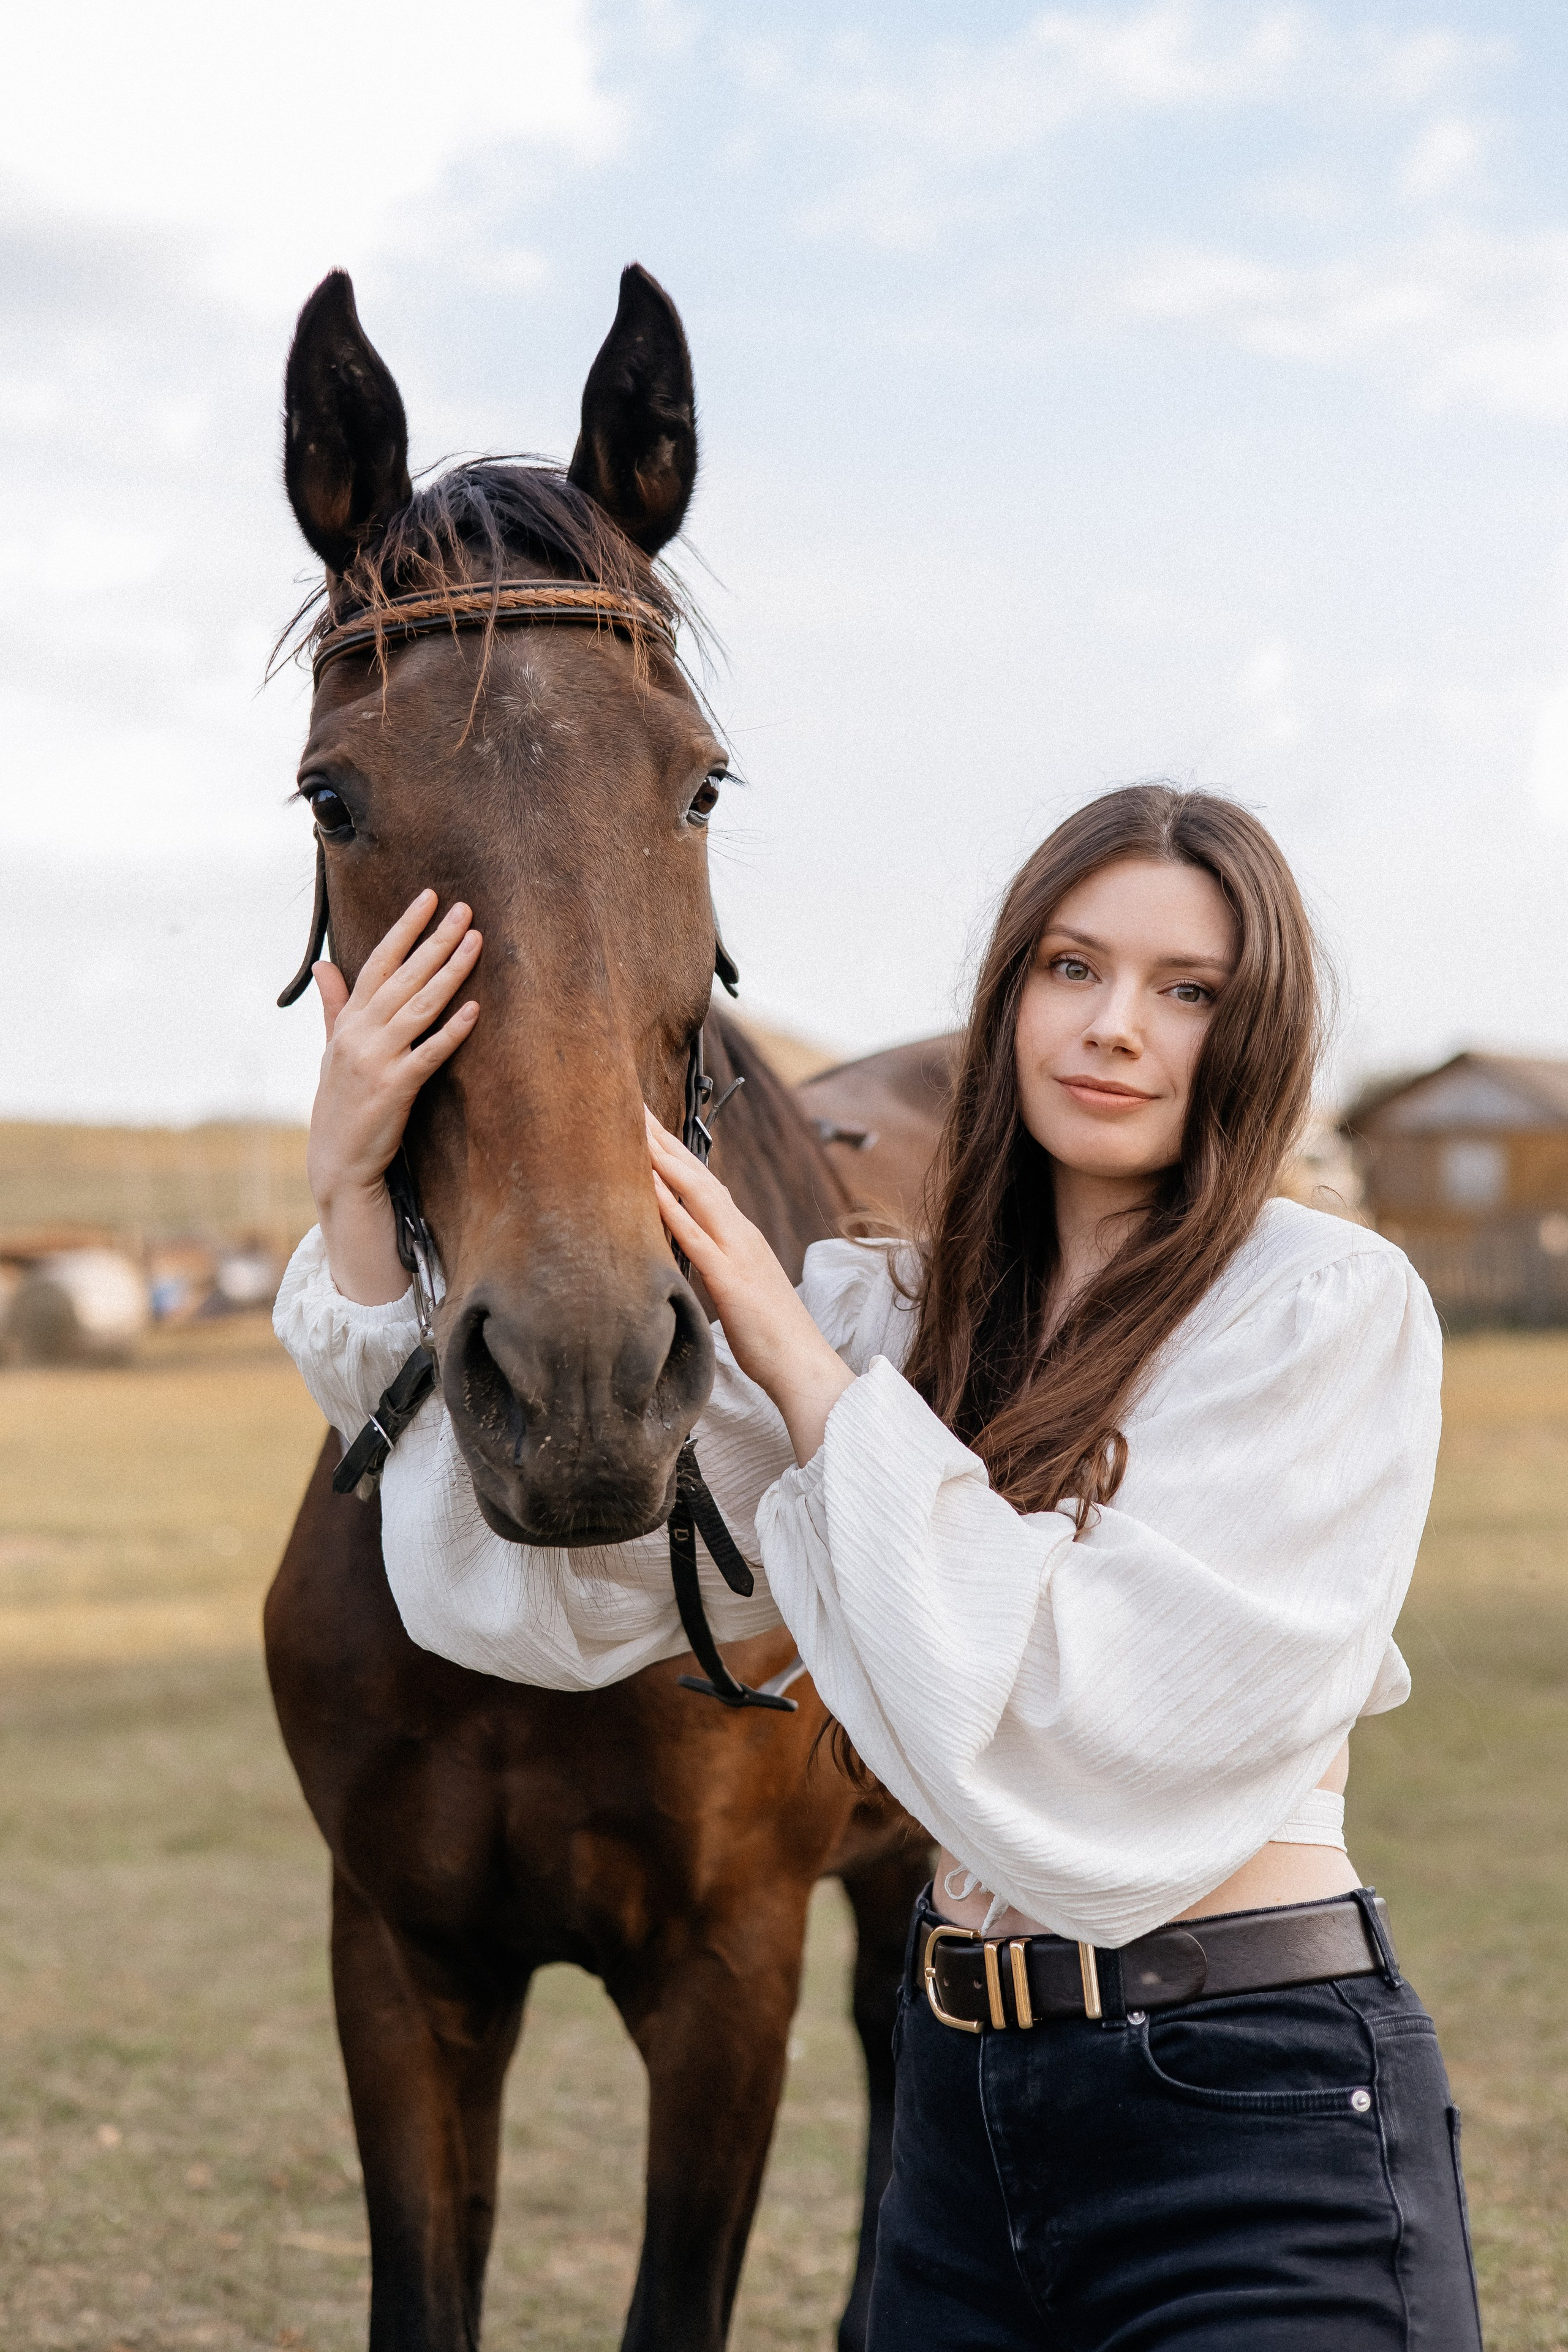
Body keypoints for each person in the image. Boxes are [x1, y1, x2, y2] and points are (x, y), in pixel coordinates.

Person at [277, 784, 1482, 2346]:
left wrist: (796, 1366)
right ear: (1007, 994)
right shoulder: (896, 1316)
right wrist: (357, 1200)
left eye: (1186, 990)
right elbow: (550, 1606)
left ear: (1252, 1033)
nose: (1112, 1026)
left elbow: (1099, 1721)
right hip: (957, 2119)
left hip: (1244, 2106)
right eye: (1069, 967)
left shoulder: (1317, 1306)